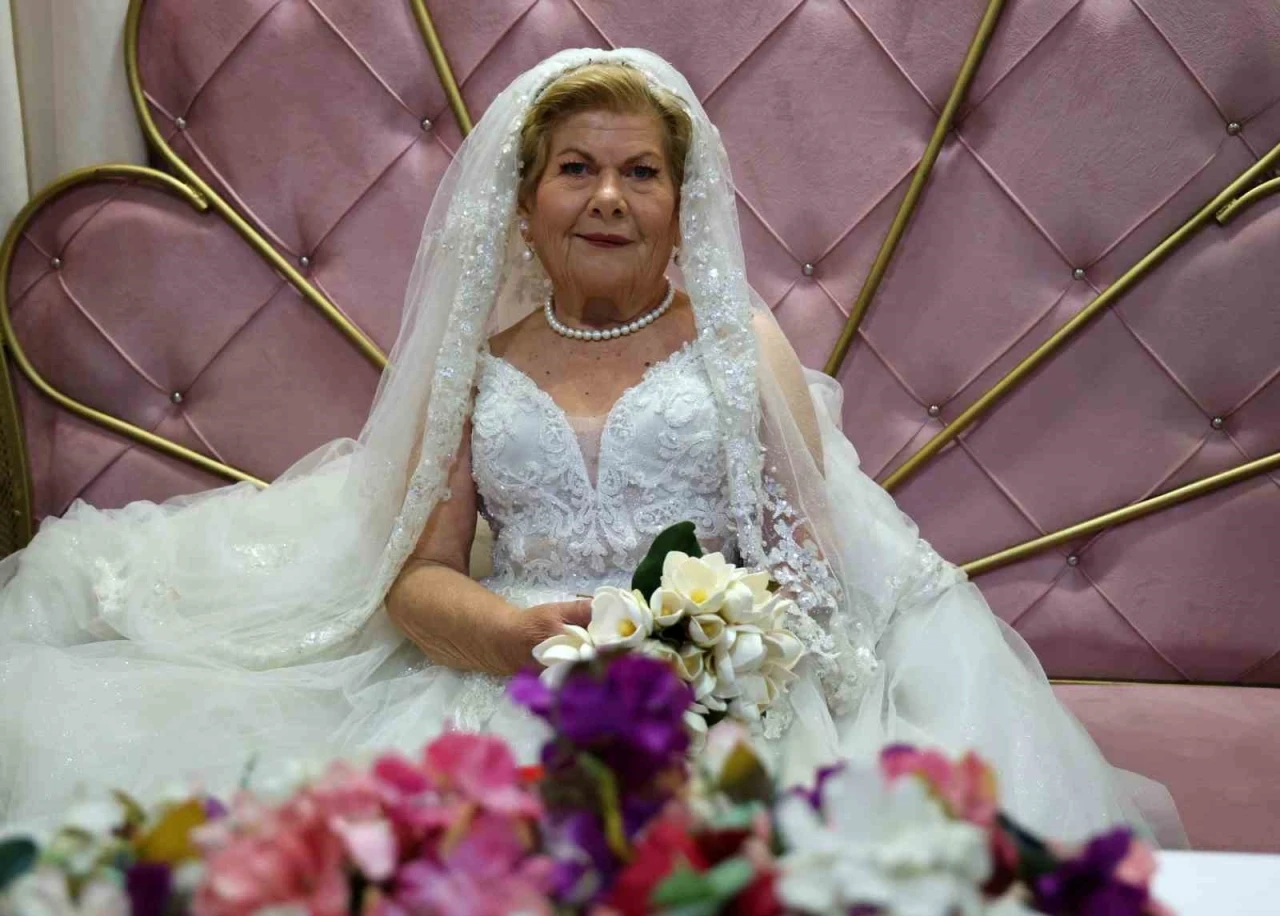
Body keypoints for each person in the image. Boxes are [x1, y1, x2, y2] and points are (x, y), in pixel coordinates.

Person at [0, 48, 1183, 847]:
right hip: (509, 675)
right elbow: (418, 577)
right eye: (576, 169)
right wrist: (508, 636)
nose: (608, 197)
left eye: (638, 173)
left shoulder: (738, 347)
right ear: (524, 203)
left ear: (679, 204)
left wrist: (706, 656)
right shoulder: (475, 367)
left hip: (716, 685)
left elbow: (814, 563)